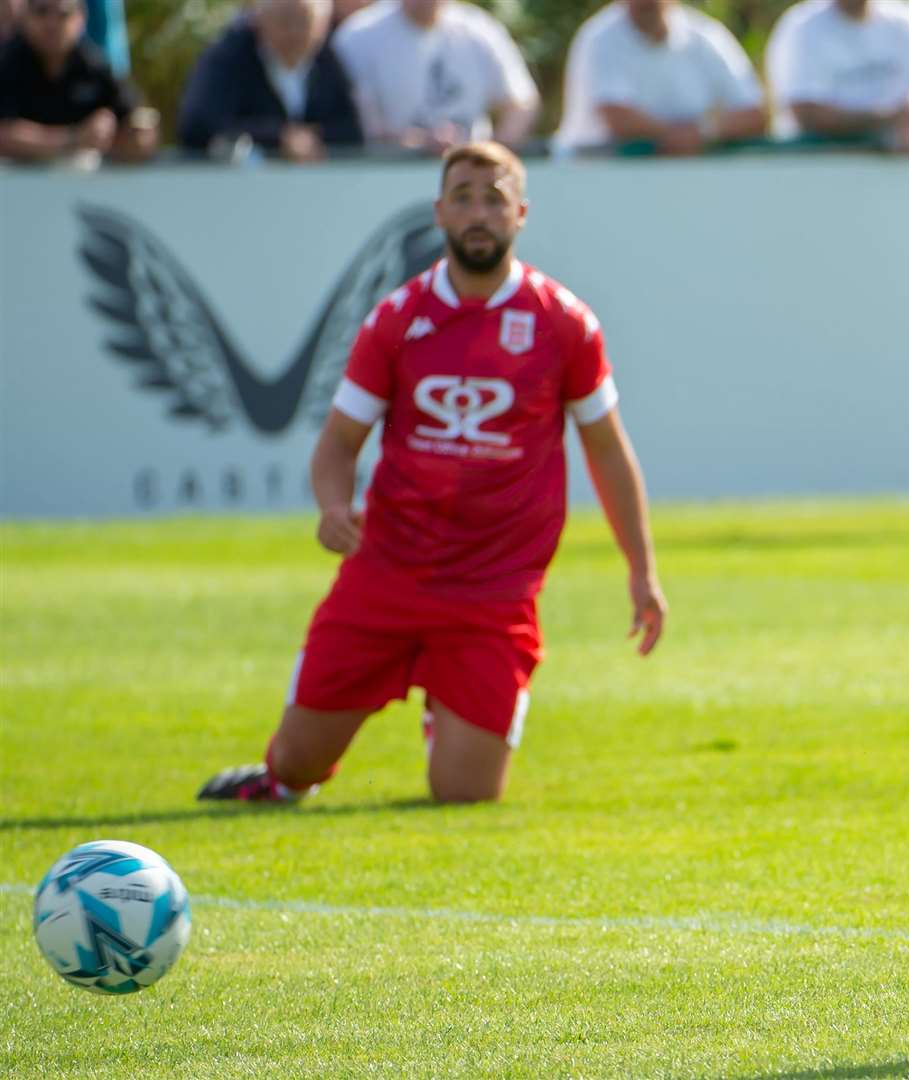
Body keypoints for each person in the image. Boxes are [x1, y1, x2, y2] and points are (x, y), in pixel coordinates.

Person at [198, 141, 668, 806]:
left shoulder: (564, 324)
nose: (479, 212)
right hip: (387, 577)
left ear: (521, 214)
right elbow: (337, 444)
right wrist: (333, 507)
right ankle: (280, 773)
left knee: (465, 797)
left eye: (494, 198)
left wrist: (642, 570)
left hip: (494, 593)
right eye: (464, 197)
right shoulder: (396, 320)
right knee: (295, 769)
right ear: (439, 213)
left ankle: (444, 705)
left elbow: (609, 453)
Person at [555, 0, 765, 156]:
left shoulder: (707, 35)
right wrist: (683, 137)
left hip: (677, 186)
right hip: (591, 178)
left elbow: (753, 114)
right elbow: (618, 118)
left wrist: (701, 133)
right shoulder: (599, 38)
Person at [332, 0, 540, 154]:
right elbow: (361, 129)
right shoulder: (357, 37)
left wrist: (490, 155)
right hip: (388, 179)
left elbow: (522, 103)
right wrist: (422, 144)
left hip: (468, 183)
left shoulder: (479, 30)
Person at [178, 0, 363, 161]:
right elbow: (199, 126)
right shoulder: (226, 58)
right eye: (286, 20)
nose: (295, 32)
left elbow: (352, 131)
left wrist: (314, 138)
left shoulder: (328, 61)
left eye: (305, 21)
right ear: (260, 18)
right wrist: (278, 137)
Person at [764, 0, 909, 150]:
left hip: (907, 172)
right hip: (820, 169)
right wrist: (889, 121)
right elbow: (806, 114)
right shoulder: (801, 27)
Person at [0, 0, 156, 165]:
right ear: (25, 16)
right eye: (42, 12)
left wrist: (128, 137)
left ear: (81, 18)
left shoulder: (95, 65)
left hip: (85, 185)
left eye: (64, 14)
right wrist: (75, 138)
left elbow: (140, 121)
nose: (52, 23)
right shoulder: (6, 63)